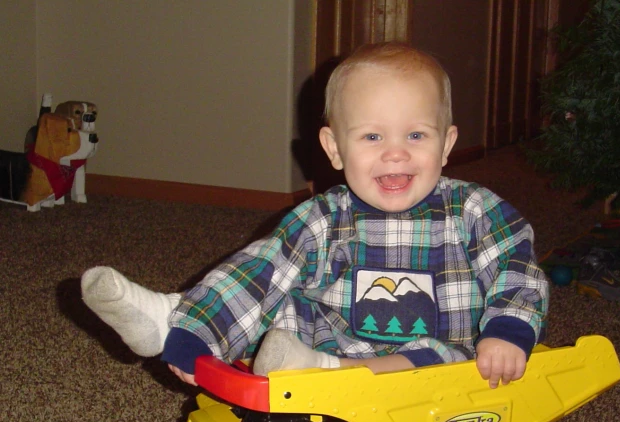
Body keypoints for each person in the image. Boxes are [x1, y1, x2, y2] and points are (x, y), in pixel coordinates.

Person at [82, 42, 549, 390]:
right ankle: (179, 320)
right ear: (333, 149)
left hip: (437, 368)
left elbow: (517, 267)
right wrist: (203, 331)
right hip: (325, 340)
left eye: (415, 136)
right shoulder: (325, 216)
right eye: (371, 138)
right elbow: (263, 267)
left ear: (446, 145)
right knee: (273, 293)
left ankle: (319, 373)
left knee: (436, 355)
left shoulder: (472, 210)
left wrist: (508, 330)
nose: (394, 154)